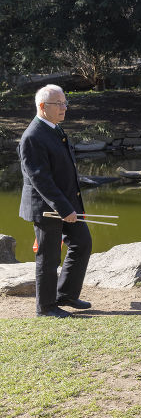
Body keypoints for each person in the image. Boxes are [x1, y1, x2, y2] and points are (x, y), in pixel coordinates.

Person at [18, 85, 92, 318]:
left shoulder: (53, 128)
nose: (64, 108)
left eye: (64, 103)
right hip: (47, 209)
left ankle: (66, 294)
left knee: (82, 243)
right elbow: (40, 179)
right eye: (58, 104)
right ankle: (46, 307)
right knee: (48, 258)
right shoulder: (32, 136)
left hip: (67, 204)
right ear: (42, 107)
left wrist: (71, 205)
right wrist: (63, 208)